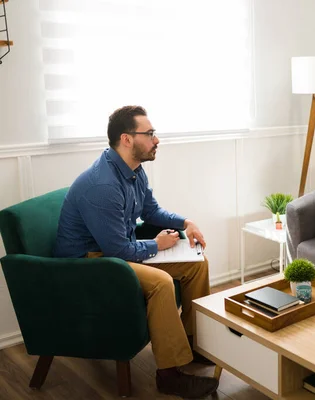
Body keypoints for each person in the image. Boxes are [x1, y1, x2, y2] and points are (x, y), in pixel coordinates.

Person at [54, 106, 218, 398]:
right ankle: (169, 374)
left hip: (114, 253)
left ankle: (195, 344)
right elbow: (117, 250)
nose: (157, 140)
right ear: (127, 139)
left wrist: (186, 222)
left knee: (197, 263)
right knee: (160, 283)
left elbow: (151, 210)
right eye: (151, 134)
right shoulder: (103, 185)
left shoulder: (133, 170)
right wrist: (157, 245)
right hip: (89, 266)